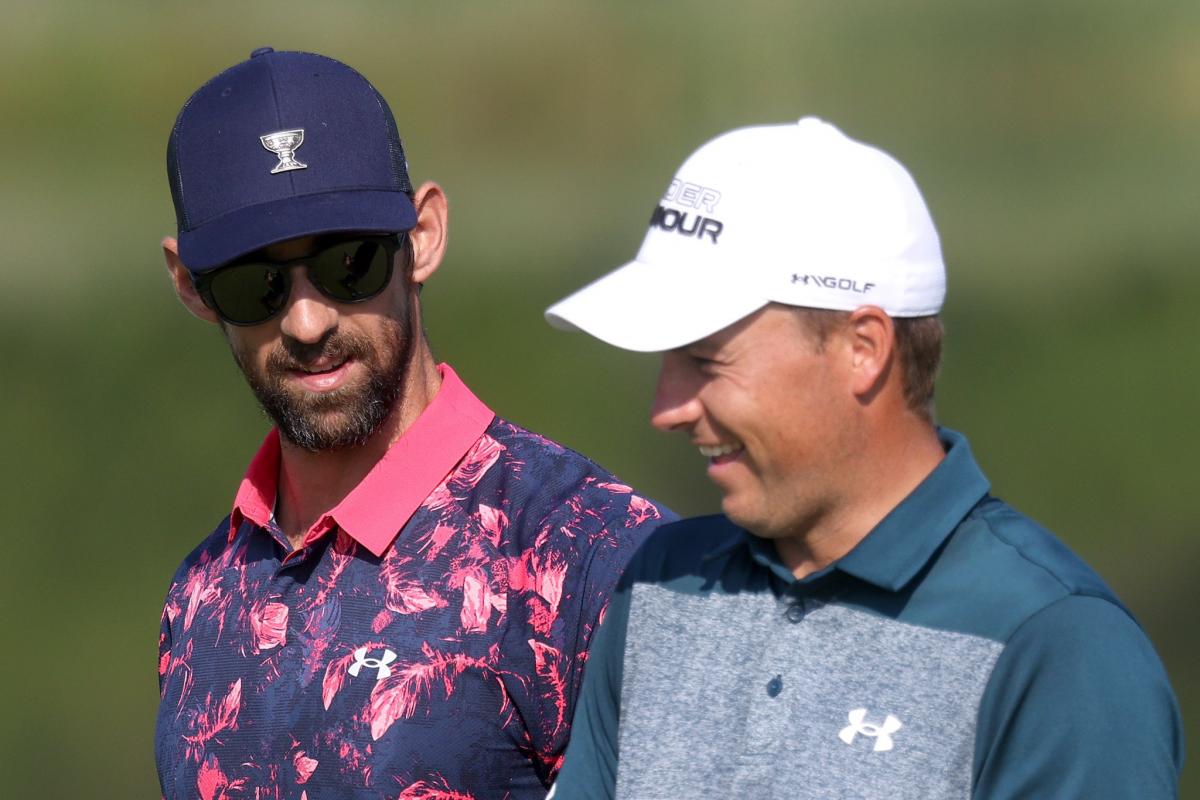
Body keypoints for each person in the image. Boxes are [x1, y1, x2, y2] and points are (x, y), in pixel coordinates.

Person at [542, 117, 1183, 798]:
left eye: (706, 361)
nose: (666, 409)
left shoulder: (1060, 647)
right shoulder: (658, 582)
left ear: (863, 348)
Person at [154, 48, 671, 800]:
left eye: (349, 263)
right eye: (253, 283)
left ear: (422, 235)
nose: (305, 320)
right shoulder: (201, 593)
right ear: (191, 288)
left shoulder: (598, 558)